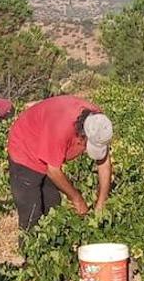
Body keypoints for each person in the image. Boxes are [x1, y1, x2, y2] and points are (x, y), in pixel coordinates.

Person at [6, 95, 114, 230]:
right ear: (82, 134)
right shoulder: (61, 127)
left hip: (48, 146)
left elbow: (103, 161)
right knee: (32, 214)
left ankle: (51, 247)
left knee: (53, 208)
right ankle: (29, 249)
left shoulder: (99, 123)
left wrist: (101, 202)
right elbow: (53, 171)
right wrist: (77, 199)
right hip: (25, 148)